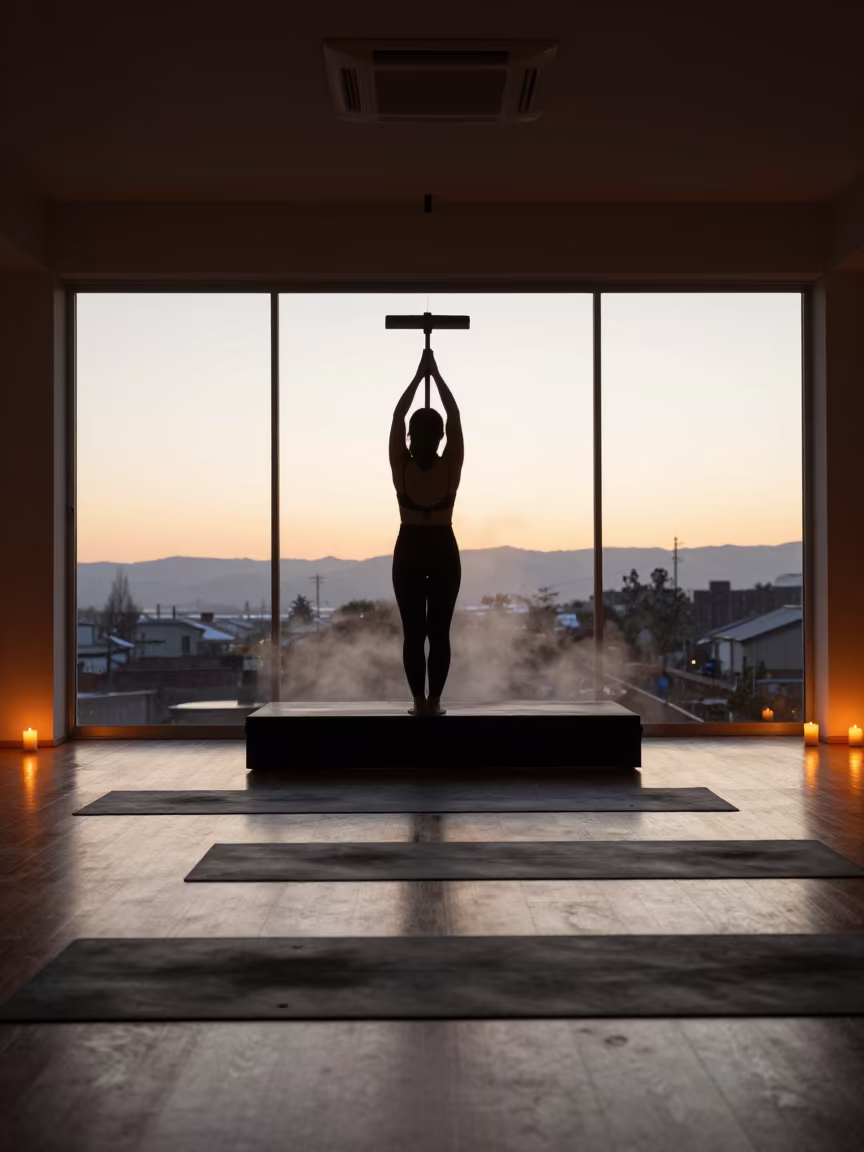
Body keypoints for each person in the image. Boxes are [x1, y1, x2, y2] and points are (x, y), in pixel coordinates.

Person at [389, 348, 463, 716]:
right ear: (438, 436)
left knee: (414, 632)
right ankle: (434, 701)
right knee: (439, 632)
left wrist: (420, 376)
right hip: (442, 546)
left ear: (412, 436)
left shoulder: (401, 465)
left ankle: (419, 701)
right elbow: (455, 416)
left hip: (410, 546)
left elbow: (398, 415)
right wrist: (437, 375)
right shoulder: (451, 464)